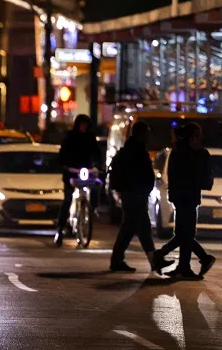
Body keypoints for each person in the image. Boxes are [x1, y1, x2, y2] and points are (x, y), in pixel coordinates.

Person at [153, 122, 216, 279]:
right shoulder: (194, 154)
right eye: (199, 136)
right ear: (192, 138)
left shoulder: (178, 152)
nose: (201, 139)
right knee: (185, 235)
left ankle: (183, 266)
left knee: (183, 234)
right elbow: (202, 180)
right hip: (187, 198)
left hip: (181, 198)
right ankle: (173, 261)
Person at [108, 121, 172, 273]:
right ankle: (118, 261)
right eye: (146, 133)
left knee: (141, 228)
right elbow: (137, 174)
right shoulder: (134, 151)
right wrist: (139, 189)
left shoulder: (133, 149)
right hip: (134, 195)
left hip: (136, 195)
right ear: (140, 134)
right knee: (131, 228)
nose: (149, 136)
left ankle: (153, 260)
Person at [54, 114, 101, 247]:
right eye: (82, 124)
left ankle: (92, 209)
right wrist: (66, 166)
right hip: (71, 172)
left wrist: (97, 164)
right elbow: (63, 154)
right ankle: (60, 229)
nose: (84, 127)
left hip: (86, 171)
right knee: (68, 199)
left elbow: (96, 152)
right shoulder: (70, 137)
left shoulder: (90, 137)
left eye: (86, 125)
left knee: (96, 186)